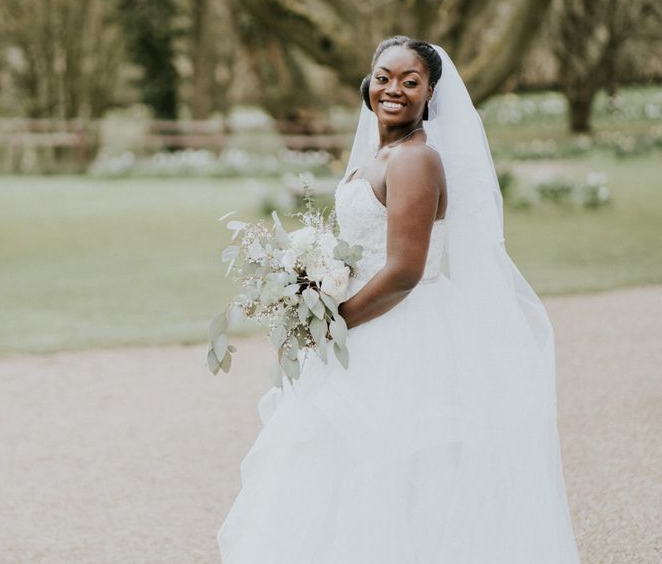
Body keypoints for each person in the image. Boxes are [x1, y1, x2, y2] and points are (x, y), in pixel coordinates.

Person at [217, 37, 581, 563]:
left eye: (411, 82)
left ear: (430, 93)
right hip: (364, 321)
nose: (394, 89)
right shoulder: (377, 156)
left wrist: (332, 322)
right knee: (338, 465)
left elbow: (405, 272)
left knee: (396, 469)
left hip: (399, 331)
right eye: (385, 76)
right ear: (369, 82)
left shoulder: (415, 161)